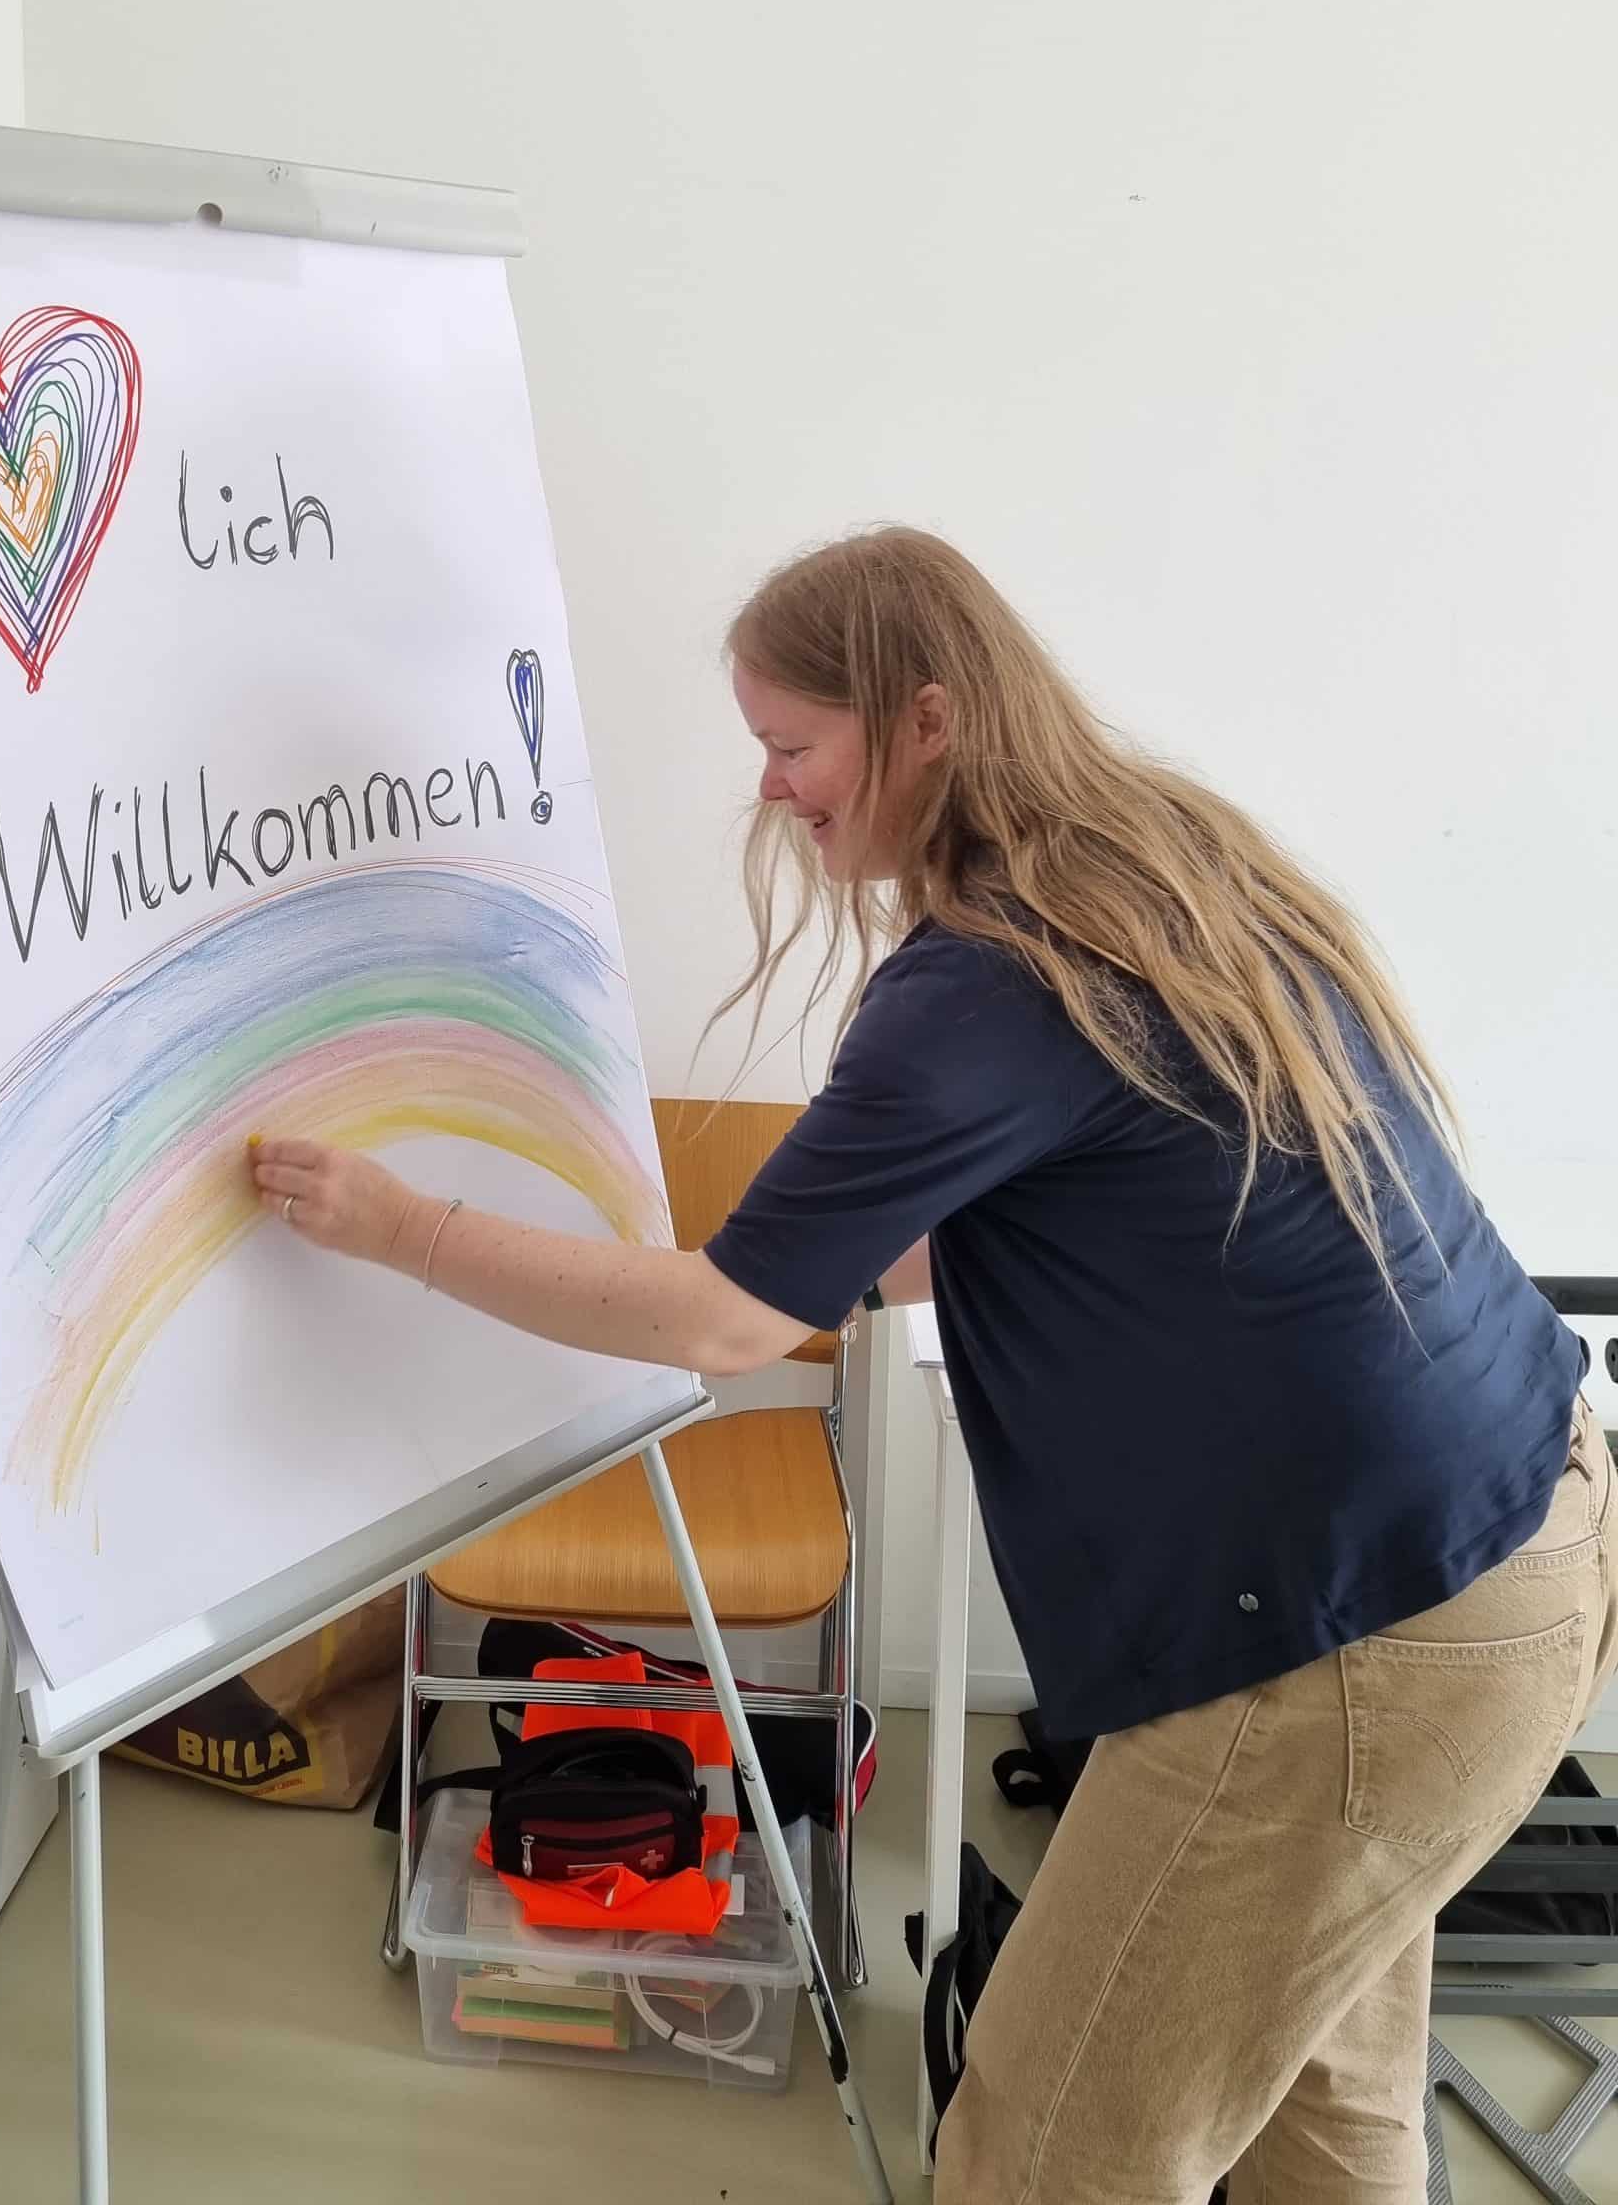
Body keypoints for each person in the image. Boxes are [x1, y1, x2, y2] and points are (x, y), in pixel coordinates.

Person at [251, 525, 1616, 2202]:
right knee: (1318, 2121)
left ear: (928, 721)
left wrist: (406, 1229)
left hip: (1361, 1651)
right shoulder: (1163, 860)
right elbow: (994, 1230)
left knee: (1043, 2160)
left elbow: (724, 1320)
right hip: (1522, 1545)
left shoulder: (990, 977)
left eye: (790, 747)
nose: (772, 793)